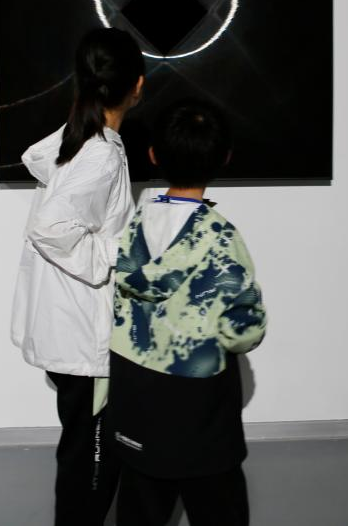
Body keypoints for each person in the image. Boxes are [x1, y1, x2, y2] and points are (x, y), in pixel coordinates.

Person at [105, 99, 268, 526]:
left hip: (134, 387)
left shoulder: (135, 225)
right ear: (224, 158)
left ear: (153, 155)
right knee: (218, 504)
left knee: (140, 504)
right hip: (197, 401)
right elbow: (242, 331)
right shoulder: (220, 238)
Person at [10, 27, 146, 526]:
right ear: (138, 84)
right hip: (83, 334)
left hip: (67, 325)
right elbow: (51, 228)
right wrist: (121, 251)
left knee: (80, 451)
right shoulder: (101, 153)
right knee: (91, 461)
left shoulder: (81, 141)